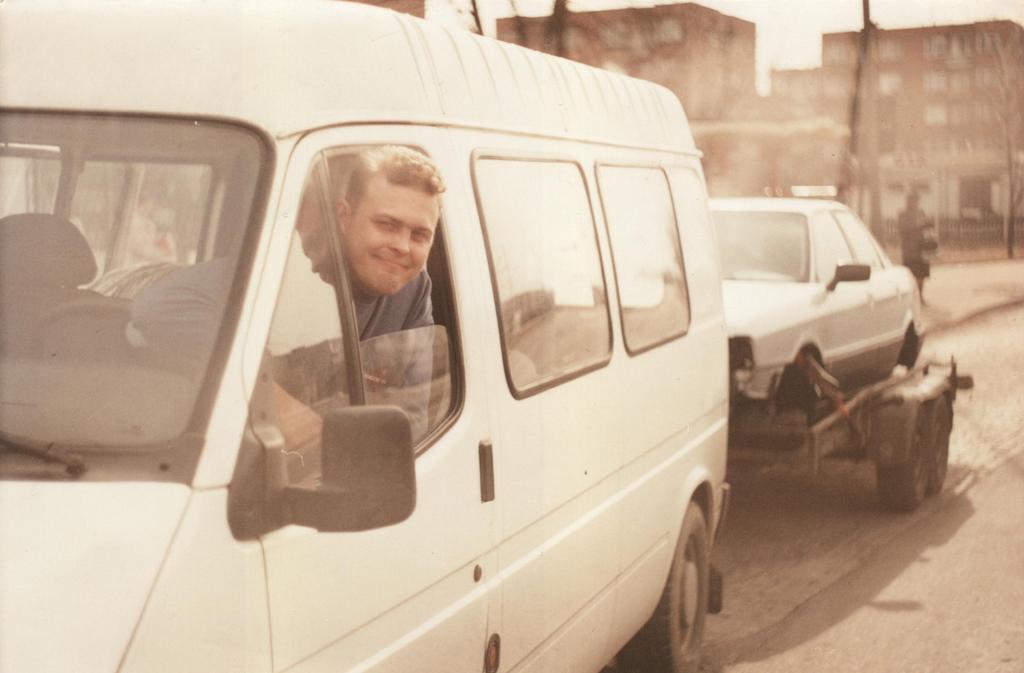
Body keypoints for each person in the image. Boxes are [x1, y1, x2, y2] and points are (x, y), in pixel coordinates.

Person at [296, 145, 444, 339]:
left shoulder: (414, 289)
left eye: (419, 234)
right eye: (387, 225)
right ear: (344, 216)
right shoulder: (295, 283)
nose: (402, 246)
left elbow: (415, 369)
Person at [897, 190, 936, 304]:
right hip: (910, 249)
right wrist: (918, 224)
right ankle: (911, 298)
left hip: (922, 249)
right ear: (908, 201)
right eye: (912, 201)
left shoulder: (921, 212)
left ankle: (920, 296)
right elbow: (903, 229)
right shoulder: (902, 214)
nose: (914, 203)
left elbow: (926, 227)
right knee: (911, 275)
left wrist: (928, 223)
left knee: (922, 275)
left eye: (916, 201)